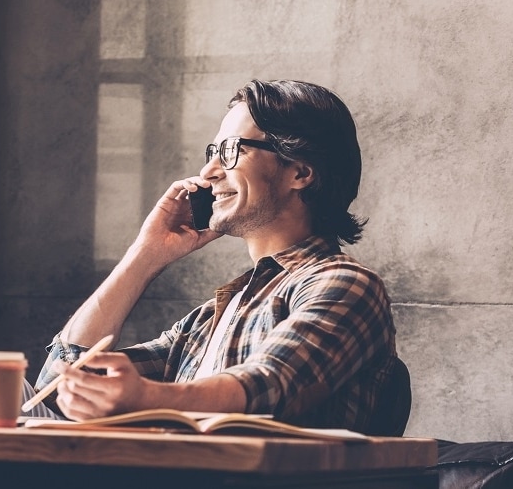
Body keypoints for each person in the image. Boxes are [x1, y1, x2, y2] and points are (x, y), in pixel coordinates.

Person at [32, 79, 399, 433]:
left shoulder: (345, 283)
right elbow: (55, 389)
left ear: (300, 172)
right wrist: (144, 255)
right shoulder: (207, 320)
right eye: (212, 153)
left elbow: (268, 388)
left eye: (230, 151)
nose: (207, 173)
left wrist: (147, 397)